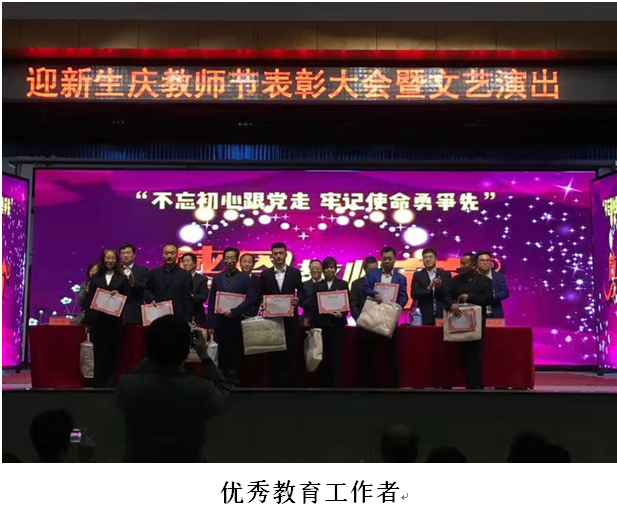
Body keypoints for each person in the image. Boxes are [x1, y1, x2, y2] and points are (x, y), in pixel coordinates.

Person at [116, 315, 231, 462]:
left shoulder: (129, 386)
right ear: (187, 349)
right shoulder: (200, 389)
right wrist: (204, 356)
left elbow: (130, 376)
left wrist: (154, 352)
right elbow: (223, 393)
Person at [260, 242, 306, 387]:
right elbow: (259, 294)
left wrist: (298, 300)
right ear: (271, 256)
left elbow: (302, 292)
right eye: (275, 254)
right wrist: (262, 303)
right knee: (273, 352)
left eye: (281, 253)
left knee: (291, 351)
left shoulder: (295, 272)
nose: (278, 256)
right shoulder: (265, 274)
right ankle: (274, 385)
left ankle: (291, 385)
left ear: (286, 254)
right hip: (272, 319)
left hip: (290, 319)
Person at [207, 248, 256, 385]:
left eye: (232, 258)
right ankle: (220, 379)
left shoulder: (245, 278)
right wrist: (211, 323)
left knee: (235, 352)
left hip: (236, 321)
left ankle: (234, 381)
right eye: (227, 258)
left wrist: (235, 311)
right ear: (223, 260)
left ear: (237, 260)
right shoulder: (217, 278)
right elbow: (212, 301)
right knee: (221, 351)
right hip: (220, 321)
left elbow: (250, 299)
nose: (229, 261)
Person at [362, 247, 409, 387]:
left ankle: (393, 386)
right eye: (384, 259)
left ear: (394, 260)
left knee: (391, 354)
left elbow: (404, 297)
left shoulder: (401, 278)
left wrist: (397, 306)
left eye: (390, 258)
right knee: (372, 354)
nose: (387, 261)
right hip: (373, 318)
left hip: (390, 319)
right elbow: (365, 288)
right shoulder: (372, 274)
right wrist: (375, 294)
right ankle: (371, 386)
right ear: (381, 260)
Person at [445, 252, 493, 390]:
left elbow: (488, 299)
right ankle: (460, 382)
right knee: (460, 353)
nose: (461, 266)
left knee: (475, 353)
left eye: (464, 263)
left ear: (473, 265)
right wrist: (450, 305)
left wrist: (470, 297)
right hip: (458, 320)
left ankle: (475, 385)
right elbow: (446, 296)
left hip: (477, 322)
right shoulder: (455, 280)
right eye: (461, 263)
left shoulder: (485, 281)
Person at [85, 248, 131, 387]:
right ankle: (98, 383)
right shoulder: (95, 278)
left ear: (116, 260)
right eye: (107, 258)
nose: (110, 261)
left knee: (113, 353)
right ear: (103, 260)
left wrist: (119, 295)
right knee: (98, 353)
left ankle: (111, 383)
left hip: (115, 322)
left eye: (112, 258)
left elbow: (128, 298)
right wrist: (88, 322)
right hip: (98, 322)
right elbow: (89, 301)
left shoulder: (122, 278)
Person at [310, 256, 349, 387]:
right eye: (326, 267)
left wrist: (342, 315)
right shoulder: (317, 285)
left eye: (331, 267)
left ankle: (336, 384)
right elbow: (314, 306)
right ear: (323, 270)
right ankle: (323, 385)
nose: (329, 270)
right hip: (322, 325)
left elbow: (347, 304)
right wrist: (314, 324)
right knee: (323, 355)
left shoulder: (342, 284)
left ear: (335, 269)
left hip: (337, 326)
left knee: (336, 355)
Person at [144, 243, 193, 323]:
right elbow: (146, 290)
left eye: (172, 253)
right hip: (158, 315)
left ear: (177, 255)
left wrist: (188, 319)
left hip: (178, 317)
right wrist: (151, 299)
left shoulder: (185, 275)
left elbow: (188, 299)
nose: (169, 256)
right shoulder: (154, 273)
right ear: (162, 255)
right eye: (166, 253)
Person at [410, 248, 452, 325]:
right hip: (424, 314)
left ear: (436, 259)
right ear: (423, 260)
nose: (428, 259)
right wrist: (429, 288)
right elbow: (414, 294)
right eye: (425, 257)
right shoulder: (417, 275)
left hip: (442, 313)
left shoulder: (445, 274)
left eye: (430, 257)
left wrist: (439, 286)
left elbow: (449, 294)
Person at [119, 243, 149, 325]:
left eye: (128, 253)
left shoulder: (143, 270)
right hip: (118, 311)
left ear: (134, 255)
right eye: (123, 253)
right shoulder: (116, 271)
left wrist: (133, 283)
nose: (125, 255)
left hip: (135, 312)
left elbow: (146, 288)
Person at [477, 251, 509, 319]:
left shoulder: (498, 276)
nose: (485, 263)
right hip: (476, 314)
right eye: (482, 260)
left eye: (487, 260)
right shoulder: (472, 276)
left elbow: (505, 292)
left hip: (495, 313)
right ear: (476, 262)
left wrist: (493, 296)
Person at [181, 252, 209, 325]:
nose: (185, 263)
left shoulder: (202, 279)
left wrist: (190, 296)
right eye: (183, 261)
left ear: (195, 264)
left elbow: (203, 296)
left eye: (188, 261)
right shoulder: (179, 278)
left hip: (196, 315)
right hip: (181, 315)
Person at [349, 256, 378, 321]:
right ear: (364, 268)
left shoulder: (381, 283)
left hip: (379, 321)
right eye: (370, 270)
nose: (373, 272)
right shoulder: (356, 284)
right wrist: (359, 319)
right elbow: (353, 305)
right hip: (362, 321)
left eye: (375, 269)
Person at [301, 259, 323, 326]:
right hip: (307, 319)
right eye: (312, 268)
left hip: (324, 320)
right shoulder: (303, 285)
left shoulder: (326, 284)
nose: (315, 270)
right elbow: (300, 302)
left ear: (322, 269)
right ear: (309, 269)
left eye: (317, 268)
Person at [240, 252, 262, 317]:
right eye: (244, 262)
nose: (246, 264)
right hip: (235, 316)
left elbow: (260, 298)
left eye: (249, 262)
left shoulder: (259, 281)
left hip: (253, 316)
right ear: (240, 263)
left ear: (253, 264)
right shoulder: (234, 279)